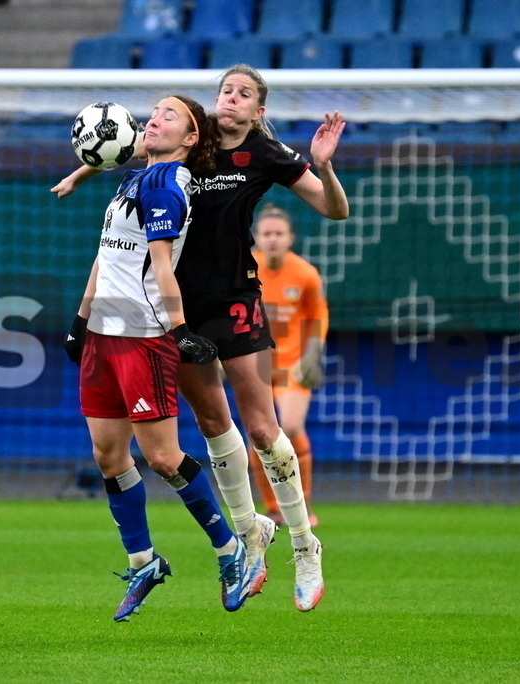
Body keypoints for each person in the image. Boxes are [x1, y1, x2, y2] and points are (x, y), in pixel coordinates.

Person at [53, 63, 348, 612]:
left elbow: (336, 210)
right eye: (224, 90)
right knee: (213, 424)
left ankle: (306, 547)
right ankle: (247, 536)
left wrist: (326, 169)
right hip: (178, 307)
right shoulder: (198, 136)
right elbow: (137, 150)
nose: (229, 98)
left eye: (243, 94)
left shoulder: (266, 153)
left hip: (235, 301)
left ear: (259, 110)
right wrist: (80, 173)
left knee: (262, 426)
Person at [63, 94, 254, 622]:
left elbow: (163, 266)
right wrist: (81, 321)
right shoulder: (134, 180)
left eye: (170, 115)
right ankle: (144, 562)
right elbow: (107, 255)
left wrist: (180, 331)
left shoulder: (169, 185)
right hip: (104, 333)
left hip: (143, 335)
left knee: (165, 459)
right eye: (153, 112)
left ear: (191, 140)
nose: (154, 119)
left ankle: (230, 551)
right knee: (107, 455)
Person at [250, 204, 328, 528]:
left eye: (278, 234)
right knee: (258, 437)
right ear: (255, 237)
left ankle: (303, 502)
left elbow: (317, 316)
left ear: (290, 238)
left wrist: (312, 355)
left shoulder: (305, 273)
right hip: (254, 365)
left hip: (292, 367)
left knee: (291, 428)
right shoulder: (244, 268)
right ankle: (273, 508)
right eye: (267, 233)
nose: (272, 239)